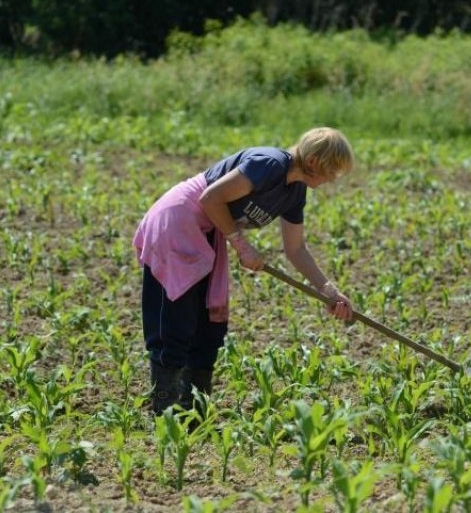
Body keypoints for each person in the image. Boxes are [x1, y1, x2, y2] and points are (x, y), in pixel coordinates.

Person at [132, 127, 355, 414]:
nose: (332, 179)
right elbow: (210, 198)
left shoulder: (295, 192)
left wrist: (328, 290)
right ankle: (164, 413)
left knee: (208, 327)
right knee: (177, 321)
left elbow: (295, 249)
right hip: (178, 223)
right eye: (332, 171)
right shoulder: (269, 164)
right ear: (314, 162)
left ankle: (194, 415)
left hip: (210, 232)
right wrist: (240, 243)